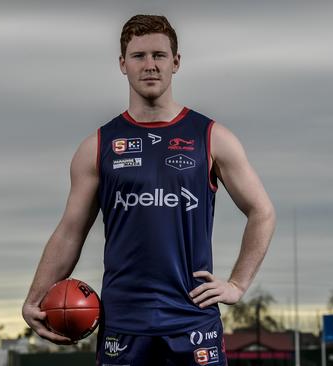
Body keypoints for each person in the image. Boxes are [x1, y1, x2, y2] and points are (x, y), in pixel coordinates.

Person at [22, 14, 276, 365]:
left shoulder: (212, 138)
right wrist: (35, 298)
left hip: (193, 321)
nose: (150, 65)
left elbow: (262, 212)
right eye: (139, 56)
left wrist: (237, 284)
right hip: (123, 325)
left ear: (176, 62)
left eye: (159, 55)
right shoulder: (98, 146)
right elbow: (70, 232)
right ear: (122, 64)